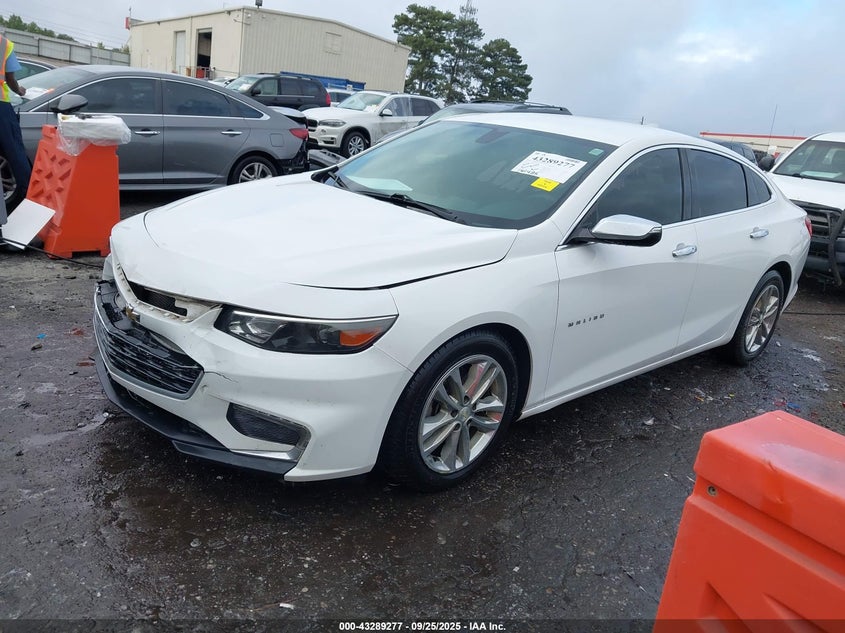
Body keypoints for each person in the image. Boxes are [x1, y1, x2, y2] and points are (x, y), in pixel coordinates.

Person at [0, 34, 30, 212]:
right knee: (15, 150)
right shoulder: (5, 44)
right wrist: (19, 90)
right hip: (1, 104)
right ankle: (30, 195)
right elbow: (10, 79)